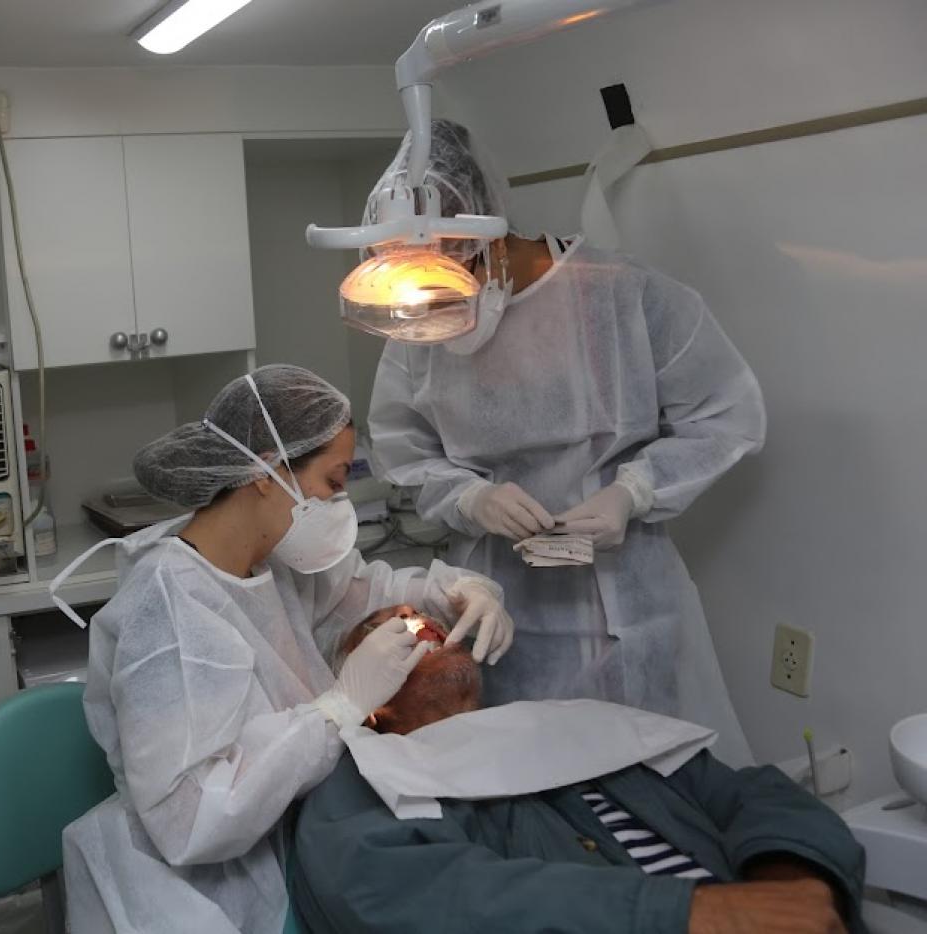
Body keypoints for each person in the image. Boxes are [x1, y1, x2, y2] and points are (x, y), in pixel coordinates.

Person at [57, 364, 513, 934]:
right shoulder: (171, 613)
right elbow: (191, 819)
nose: (339, 502)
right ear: (268, 472)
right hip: (205, 890)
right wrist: (336, 711)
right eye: (334, 481)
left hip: (289, 835)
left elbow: (361, 589)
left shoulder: (266, 559)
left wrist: (454, 592)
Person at [367, 119, 767, 759]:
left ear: (491, 226)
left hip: (624, 607)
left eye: (458, 261)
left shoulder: (623, 297)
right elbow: (405, 451)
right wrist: (469, 498)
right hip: (496, 610)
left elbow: (726, 415)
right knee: (530, 792)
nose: (445, 293)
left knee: (652, 787)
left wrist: (633, 492)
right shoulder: (421, 315)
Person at [289, 607, 867, 934]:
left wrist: (791, 886)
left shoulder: (575, 727)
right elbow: (422, 900)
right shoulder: (366, 782)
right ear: (369, 696)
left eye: (432, 622)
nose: (427, 627)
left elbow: (753, 795)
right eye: (400, 633)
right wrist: (694, 914)